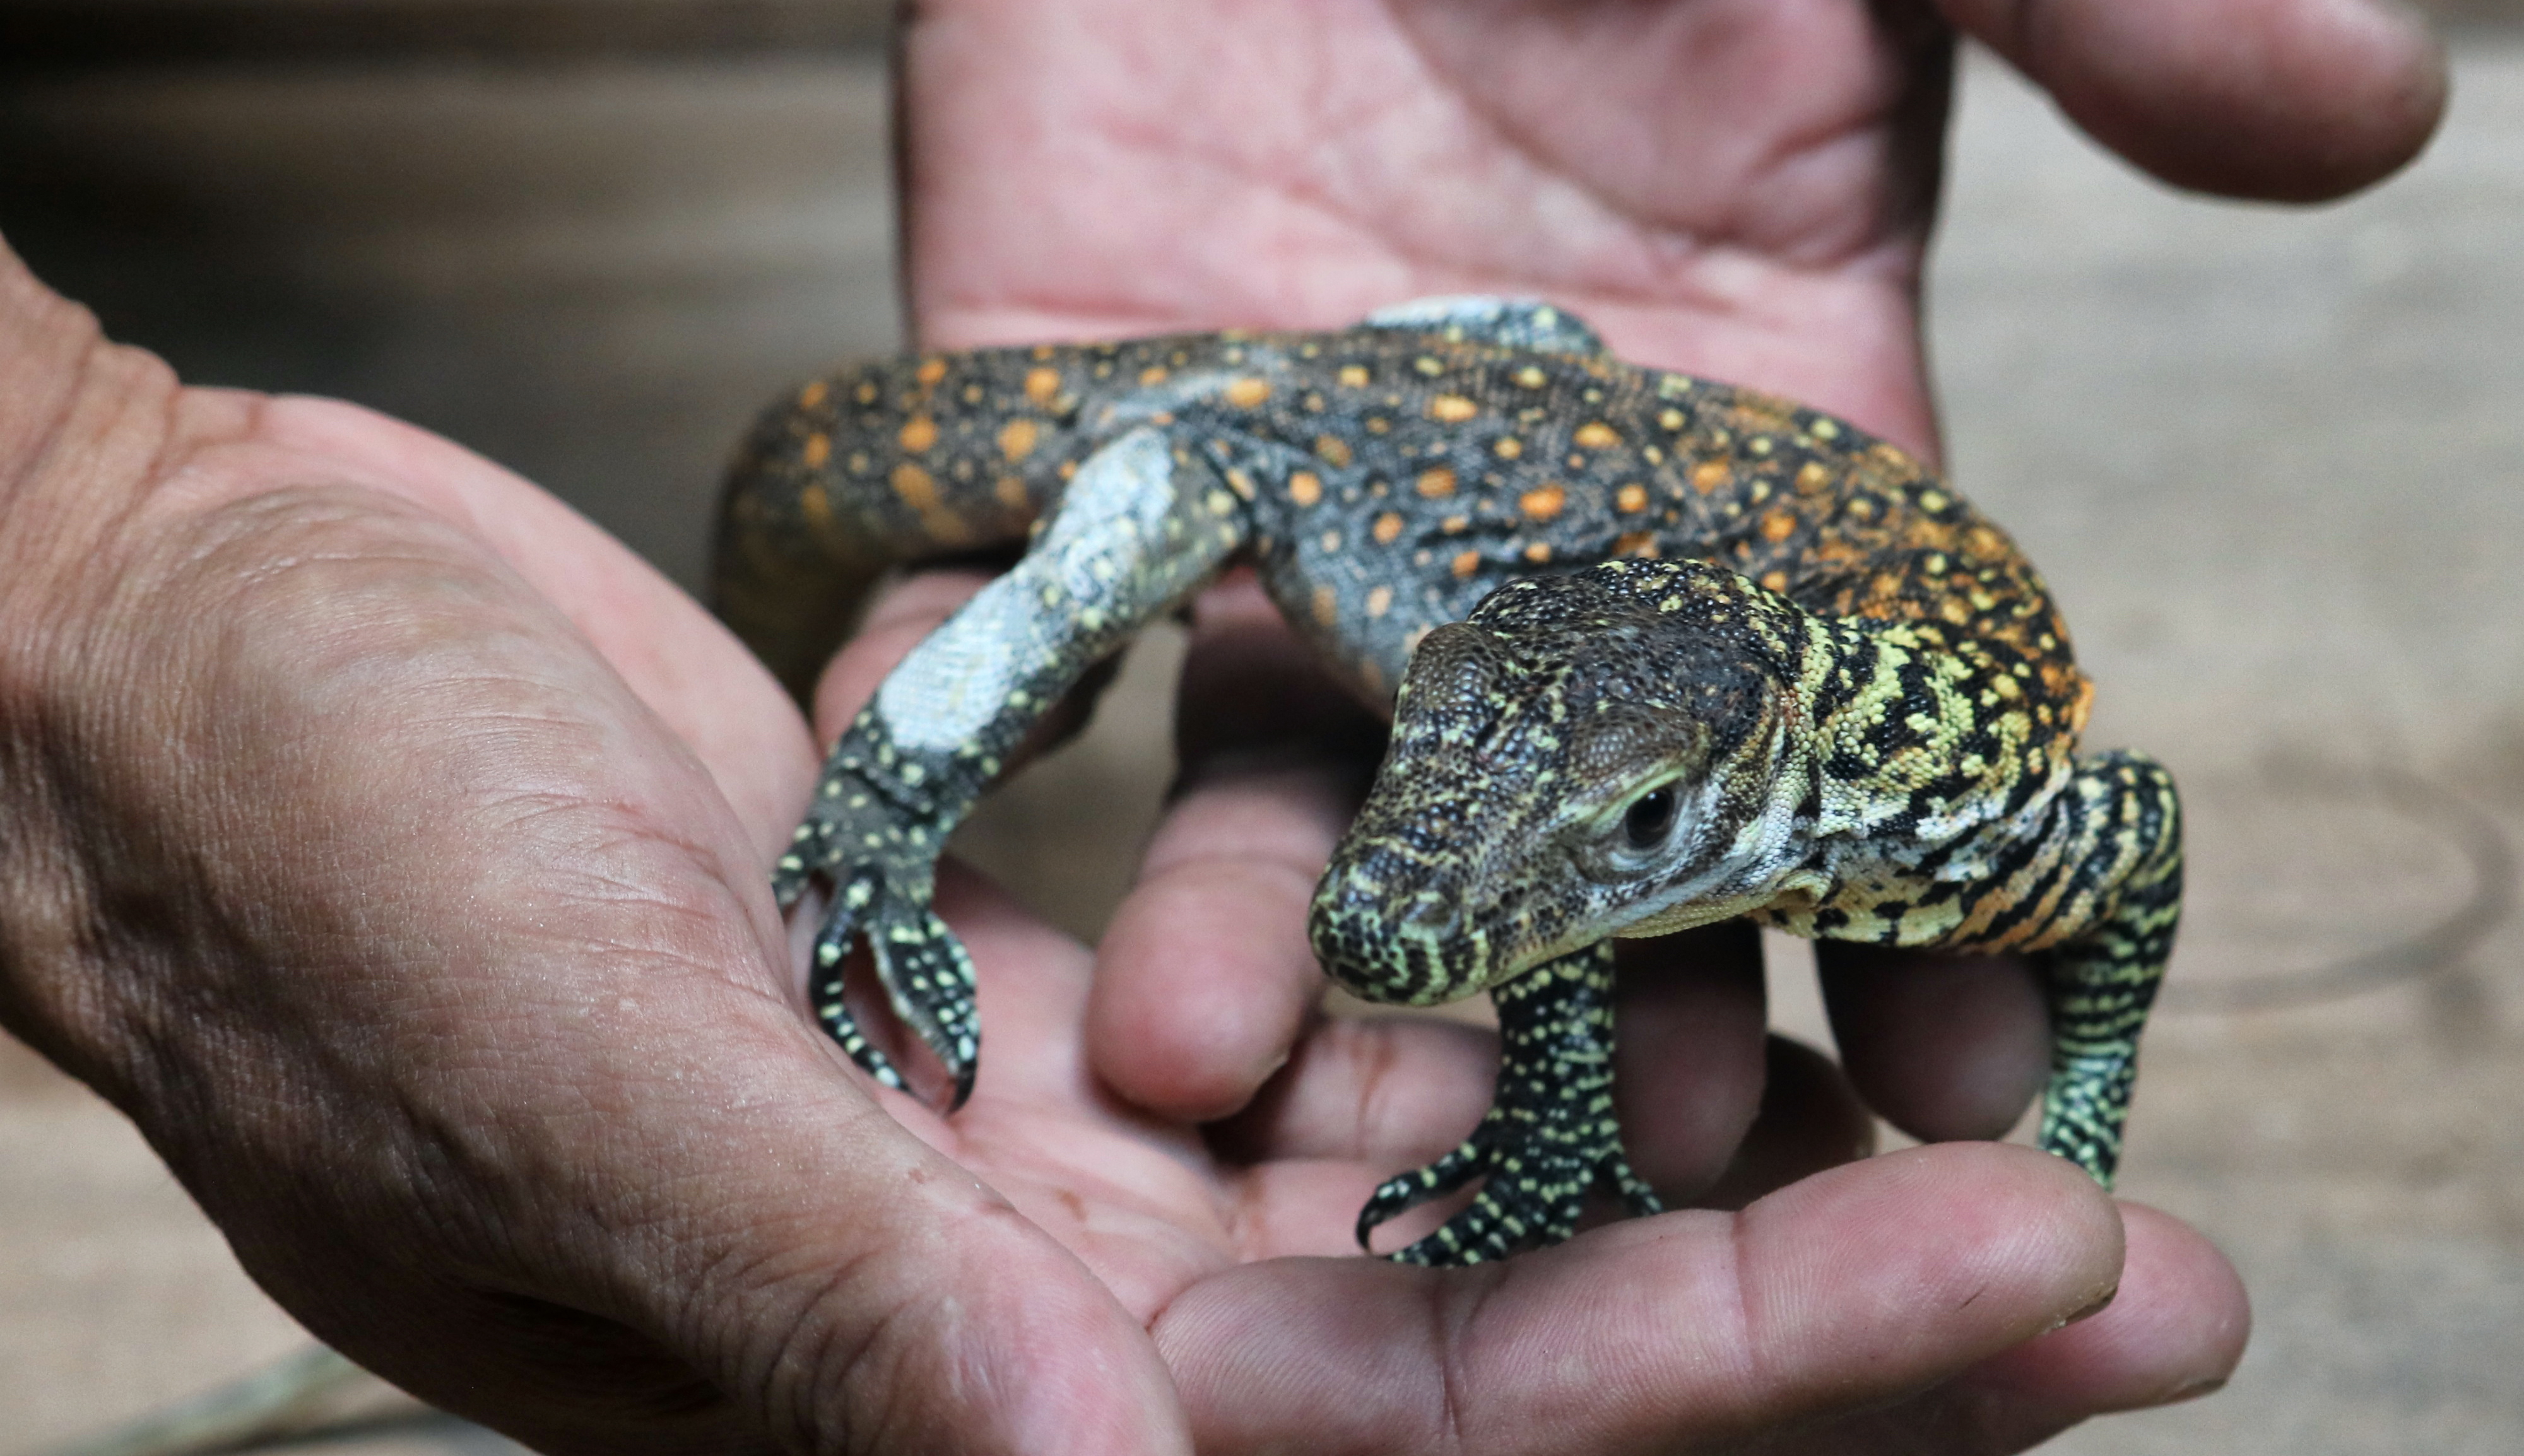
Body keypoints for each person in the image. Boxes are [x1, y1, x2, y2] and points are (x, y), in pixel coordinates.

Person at [0, 0, 2443, 1450]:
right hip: (1319, 423)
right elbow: (1543, 829)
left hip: (1535, 484)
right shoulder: (1569, 693)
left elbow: (2127, 832)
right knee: (1128, 558)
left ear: (1758, 786)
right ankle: (876, 811)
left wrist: (2086, 1098)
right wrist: (66, 513)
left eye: (1617, 837)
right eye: (1443, 750)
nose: (1391, 906)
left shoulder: (1962, 813)